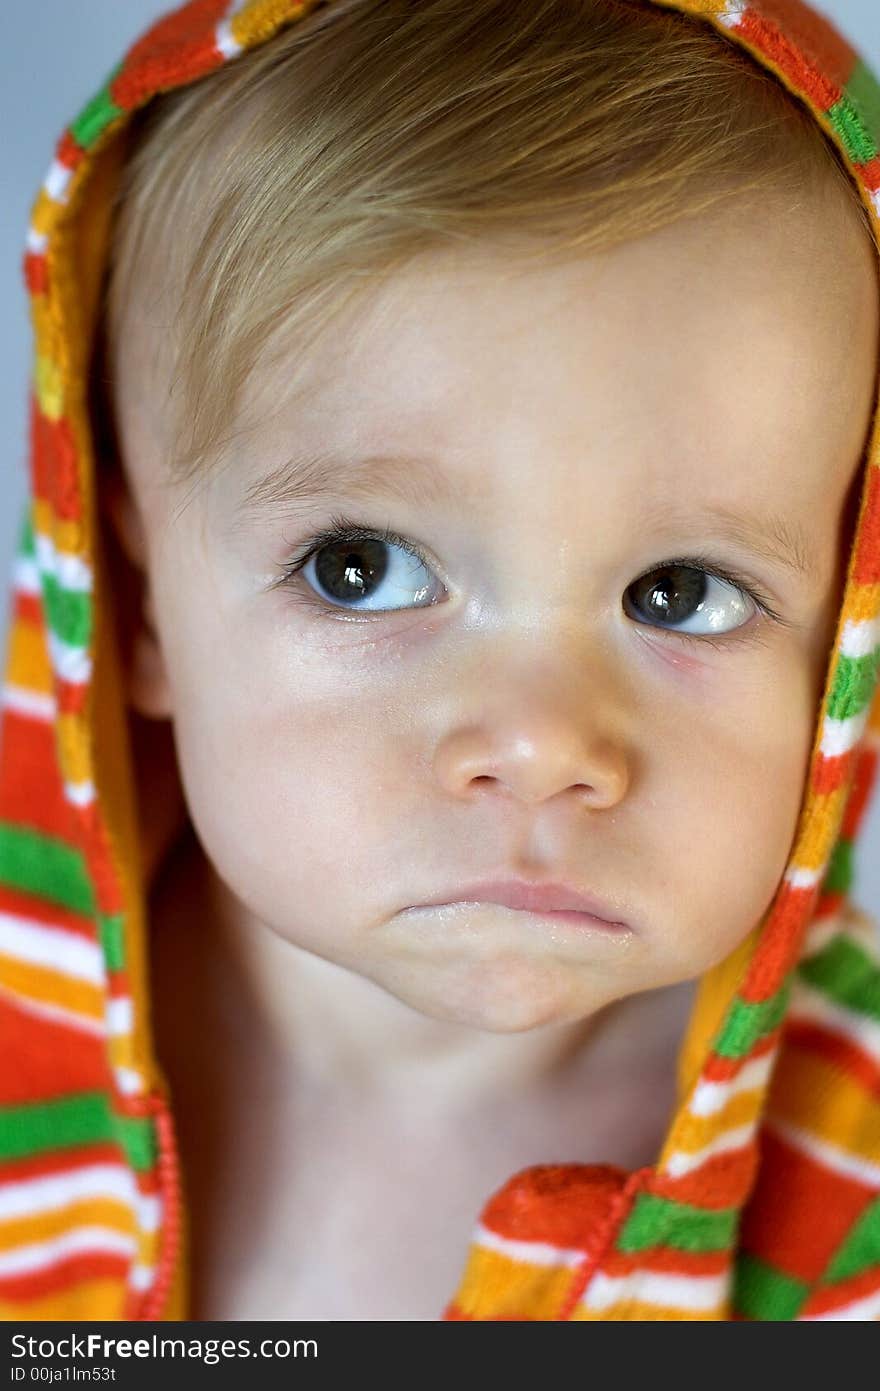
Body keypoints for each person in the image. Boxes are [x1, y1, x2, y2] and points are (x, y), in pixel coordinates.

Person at [1, 0, 879, 1322]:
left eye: (681, 593)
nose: (541, 745)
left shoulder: (846, 1198)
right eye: (361, 568)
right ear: (135, 605)